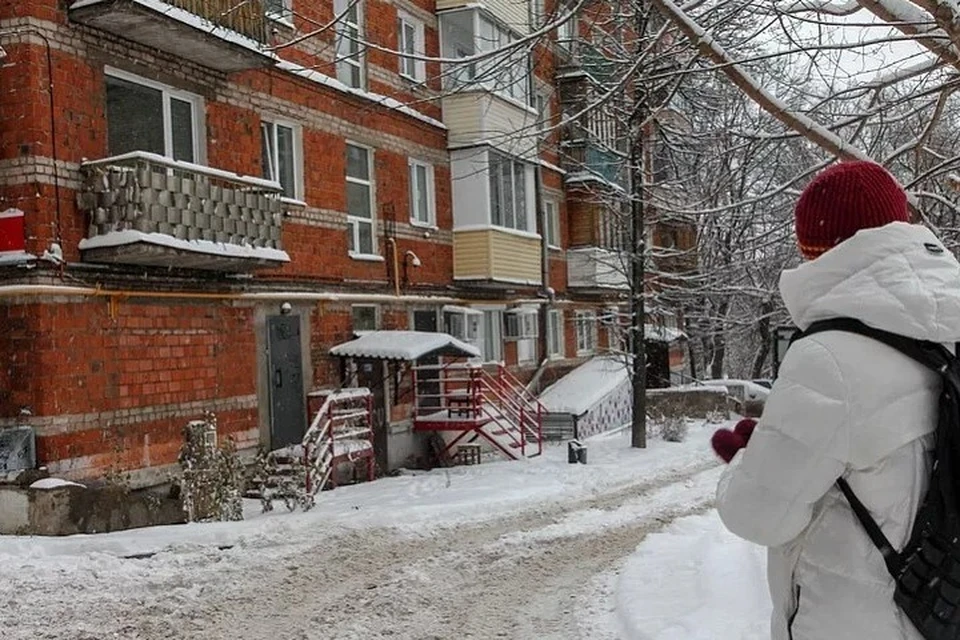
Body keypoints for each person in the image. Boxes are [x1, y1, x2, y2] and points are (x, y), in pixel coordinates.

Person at [711, 160, 960, 639]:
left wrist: (746, 456)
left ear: (816, 252)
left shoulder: (828, 358)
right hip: (945, 604)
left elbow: (759, 515)